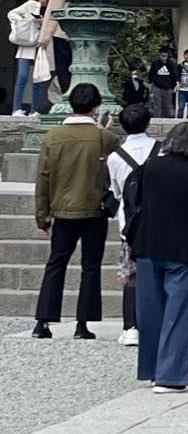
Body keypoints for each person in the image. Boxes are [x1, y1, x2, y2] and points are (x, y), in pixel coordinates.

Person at [32, 81, 119, 340]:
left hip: (62, 210)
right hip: (94, 210)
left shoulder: (53, 137)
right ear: (95, 107)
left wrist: (42, 215)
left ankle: (42, 322)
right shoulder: (104, 138)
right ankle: (83, 324)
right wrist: (105, 130)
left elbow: (43, 177)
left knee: (56, 264)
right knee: (90, 266)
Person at [133, 119, 188, 391]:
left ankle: (152, 369)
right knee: (177, 313)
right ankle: (171, 375)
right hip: (182, 247)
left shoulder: (151, 166)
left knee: (150, 312)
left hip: (148, 243)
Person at [107, 102, 157, 347]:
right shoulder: (161, 150)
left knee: (131, 275)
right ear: (148, 123)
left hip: (130, 224)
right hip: (159, 221)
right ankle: (154, 323)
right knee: (158, 273)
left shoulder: (115, 157)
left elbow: (116, 193)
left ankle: (131, 327)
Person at [7, 0, 48, 116]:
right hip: (26, 45)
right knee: (22, 76)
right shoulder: (31, 4)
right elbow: (11, 14)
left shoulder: (52, 9)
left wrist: (43, 22)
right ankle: (16, 108)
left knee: (38, 79)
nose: (42, 1)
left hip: (41, 46)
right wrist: (26, 21)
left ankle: (35, 110)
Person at [38, 0, 73, 96]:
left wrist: (44, 37)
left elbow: (52, 12)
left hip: (62, 32)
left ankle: (67, 97)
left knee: (63, 68)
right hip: (84, 33)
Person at [148, 47, 179, 117]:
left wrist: (176, 83)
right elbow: (151, 73)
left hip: (168, 86)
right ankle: (157, 118)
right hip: (157, 85)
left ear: (167, 54)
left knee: (167, 105)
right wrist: (150, 84)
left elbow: (175, 74)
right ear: (160, 54)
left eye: (165, 56)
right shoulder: (155, 62)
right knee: (157, 104)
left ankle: (166, 118)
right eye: (162, 56)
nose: (164, 57)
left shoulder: (171, 63)